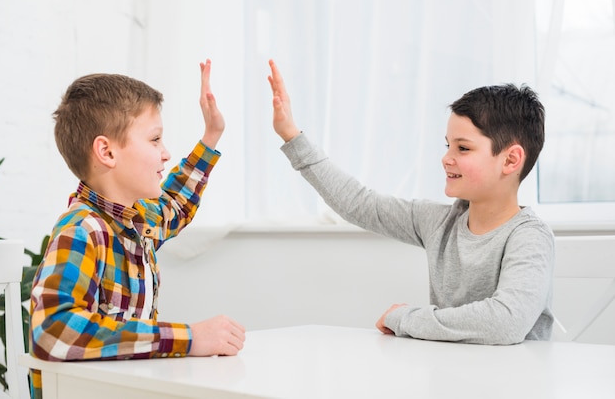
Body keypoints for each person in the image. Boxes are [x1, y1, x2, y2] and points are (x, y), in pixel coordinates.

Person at [267, 59, 554, 345]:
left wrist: (404, 317)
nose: (446, 158)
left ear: (511, 160)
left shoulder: (529, 236)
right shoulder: (439, 222)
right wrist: (291, 136)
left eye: (463, 148)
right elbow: (358, 203)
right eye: (448, 145)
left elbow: (505, 322)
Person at [29, 60, 245, 398]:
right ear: (107, 151)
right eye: (155, 139)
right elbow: (53, 332)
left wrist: (211, 135)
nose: (165, 153)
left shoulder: (136, 219)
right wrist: (189, 338)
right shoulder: (82, 230)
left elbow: (176, 204)